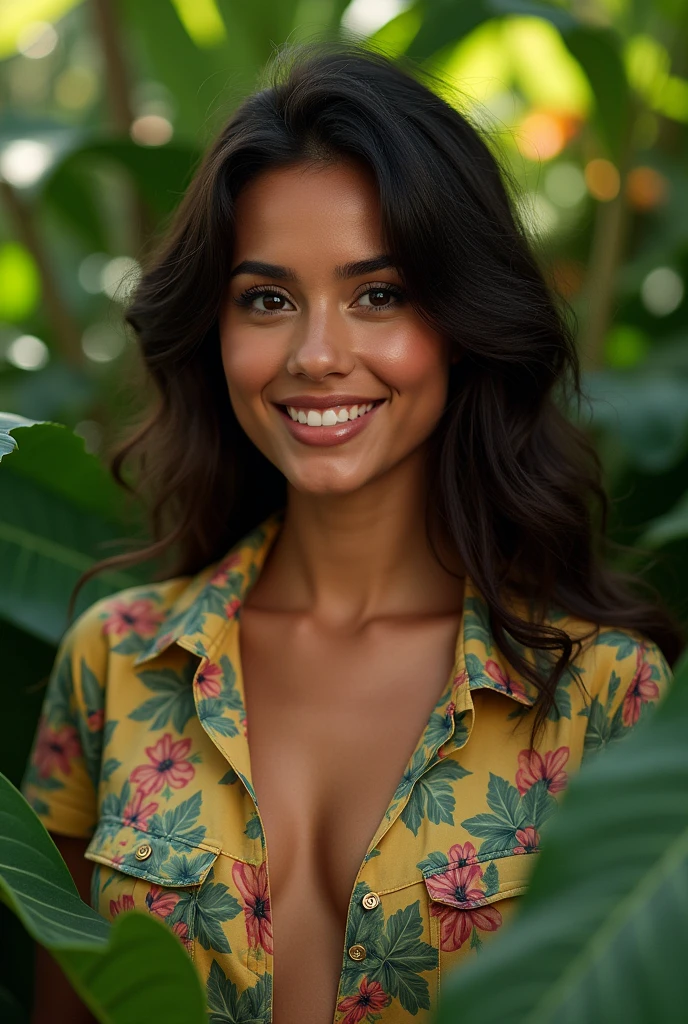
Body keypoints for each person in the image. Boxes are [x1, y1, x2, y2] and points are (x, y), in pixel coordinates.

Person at [22, 42, 680, 1024]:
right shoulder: (116, 664)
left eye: (379, 294)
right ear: (215, 327)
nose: (317, 354)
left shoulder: (603, 696)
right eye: (267, 299)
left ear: (461, 320)